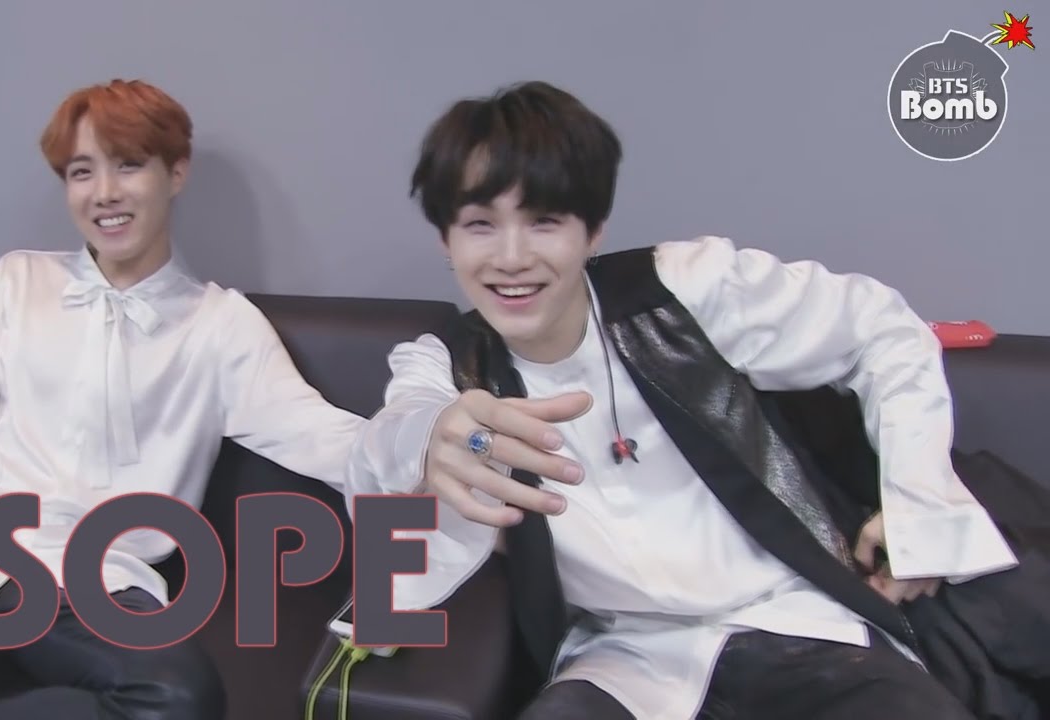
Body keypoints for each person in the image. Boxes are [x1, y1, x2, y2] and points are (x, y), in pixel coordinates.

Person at [346, 80, 1050, 719]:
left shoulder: (687, 289)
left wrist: (917, 501)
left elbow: (883, 328)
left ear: (593, 231)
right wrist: (434, 436)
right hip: (621, 664)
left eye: (544, 221)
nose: (511, 257)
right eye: (479, 224)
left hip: (799, 625)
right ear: (445, 241)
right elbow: (388, 442)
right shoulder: (446, 366)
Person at [0, 78, 365, 720]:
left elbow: (323, 436)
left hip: (89, 583)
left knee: (177, 698)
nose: (104, 192)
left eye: (128, 165)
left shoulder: (221, 325)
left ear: (176, 173)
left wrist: (435, 444)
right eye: (82, 172)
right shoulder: (17, 281)